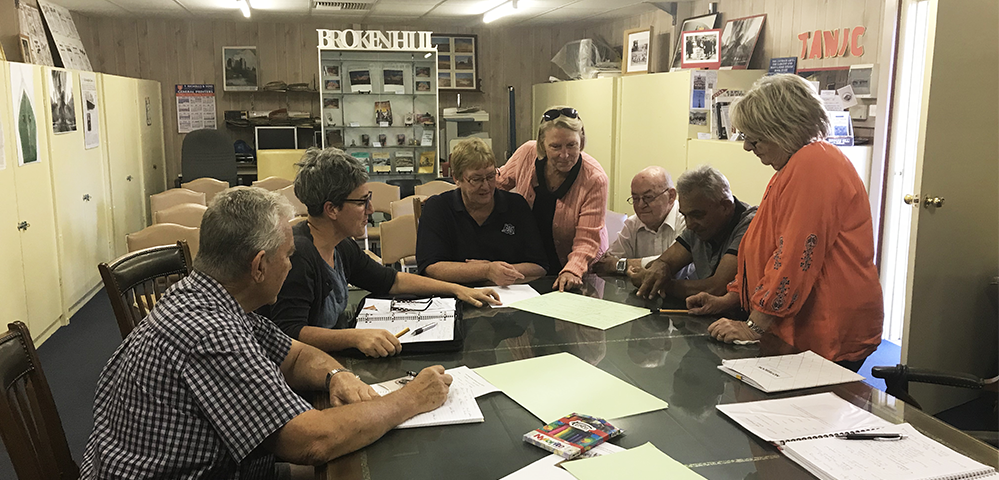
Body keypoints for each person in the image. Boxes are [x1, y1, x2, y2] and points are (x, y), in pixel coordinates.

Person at [81, 187, 453, 479]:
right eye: (288, 255)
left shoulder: (211, 295)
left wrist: (336, 375)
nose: (291, 264)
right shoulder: (209, 332)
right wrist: (409, 400)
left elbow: (294, 354)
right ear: (259, 265)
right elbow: (312, 441)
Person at [688, 74, 883, 370]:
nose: (748, 148)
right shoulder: (797, 166)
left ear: (782, 130)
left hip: (825, 329)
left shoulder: (813, 164)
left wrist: (754, 326)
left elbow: (794, 256)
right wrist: (729, 299)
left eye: (754, 138)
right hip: (805, 326)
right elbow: (767, 246)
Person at [257, 148, 499, 358]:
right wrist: (354, 338)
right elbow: (289, 331)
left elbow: (391, 280)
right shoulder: (299, 255)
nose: (371, 209)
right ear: (331, 209)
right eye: (362, 201)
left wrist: (457, 289)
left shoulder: (340, 245)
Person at [497, 106, 609, 292]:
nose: (564, 155)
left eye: (571, 145)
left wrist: (573, 270)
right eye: (555, 146)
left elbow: (587, 240)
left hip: (579, 266)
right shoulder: (527, 154)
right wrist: (444, 199)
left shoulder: (594, 178)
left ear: (581, 140)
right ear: (542, 143)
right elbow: (495, 183)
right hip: (535, 263)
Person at [417, 138, 548, 285]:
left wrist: (496, 272)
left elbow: (539, 266)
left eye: (491, 176)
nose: (486, 186)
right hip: (454, 296)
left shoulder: (516, 206)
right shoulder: (438, 208)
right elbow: (430, 267)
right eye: (476, 179)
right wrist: (486, 271)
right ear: (457, 178)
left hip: (507, 296)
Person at [637, 165, 756, 299]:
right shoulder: (697, 225)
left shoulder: (751, 225)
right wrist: (658, 270)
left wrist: (659, 284)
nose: (689, 225)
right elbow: (666, 261)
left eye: (697, 215)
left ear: (726, 207)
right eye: (685, 216)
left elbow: (718, 287)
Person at [593, 166, 685, 277]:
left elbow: (676, 262)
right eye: (635, 199)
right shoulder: (633, 224)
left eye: (648, 197)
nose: (641, 205)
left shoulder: (686, 219)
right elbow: (607, 263)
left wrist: (621, 265)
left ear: (671, 196)